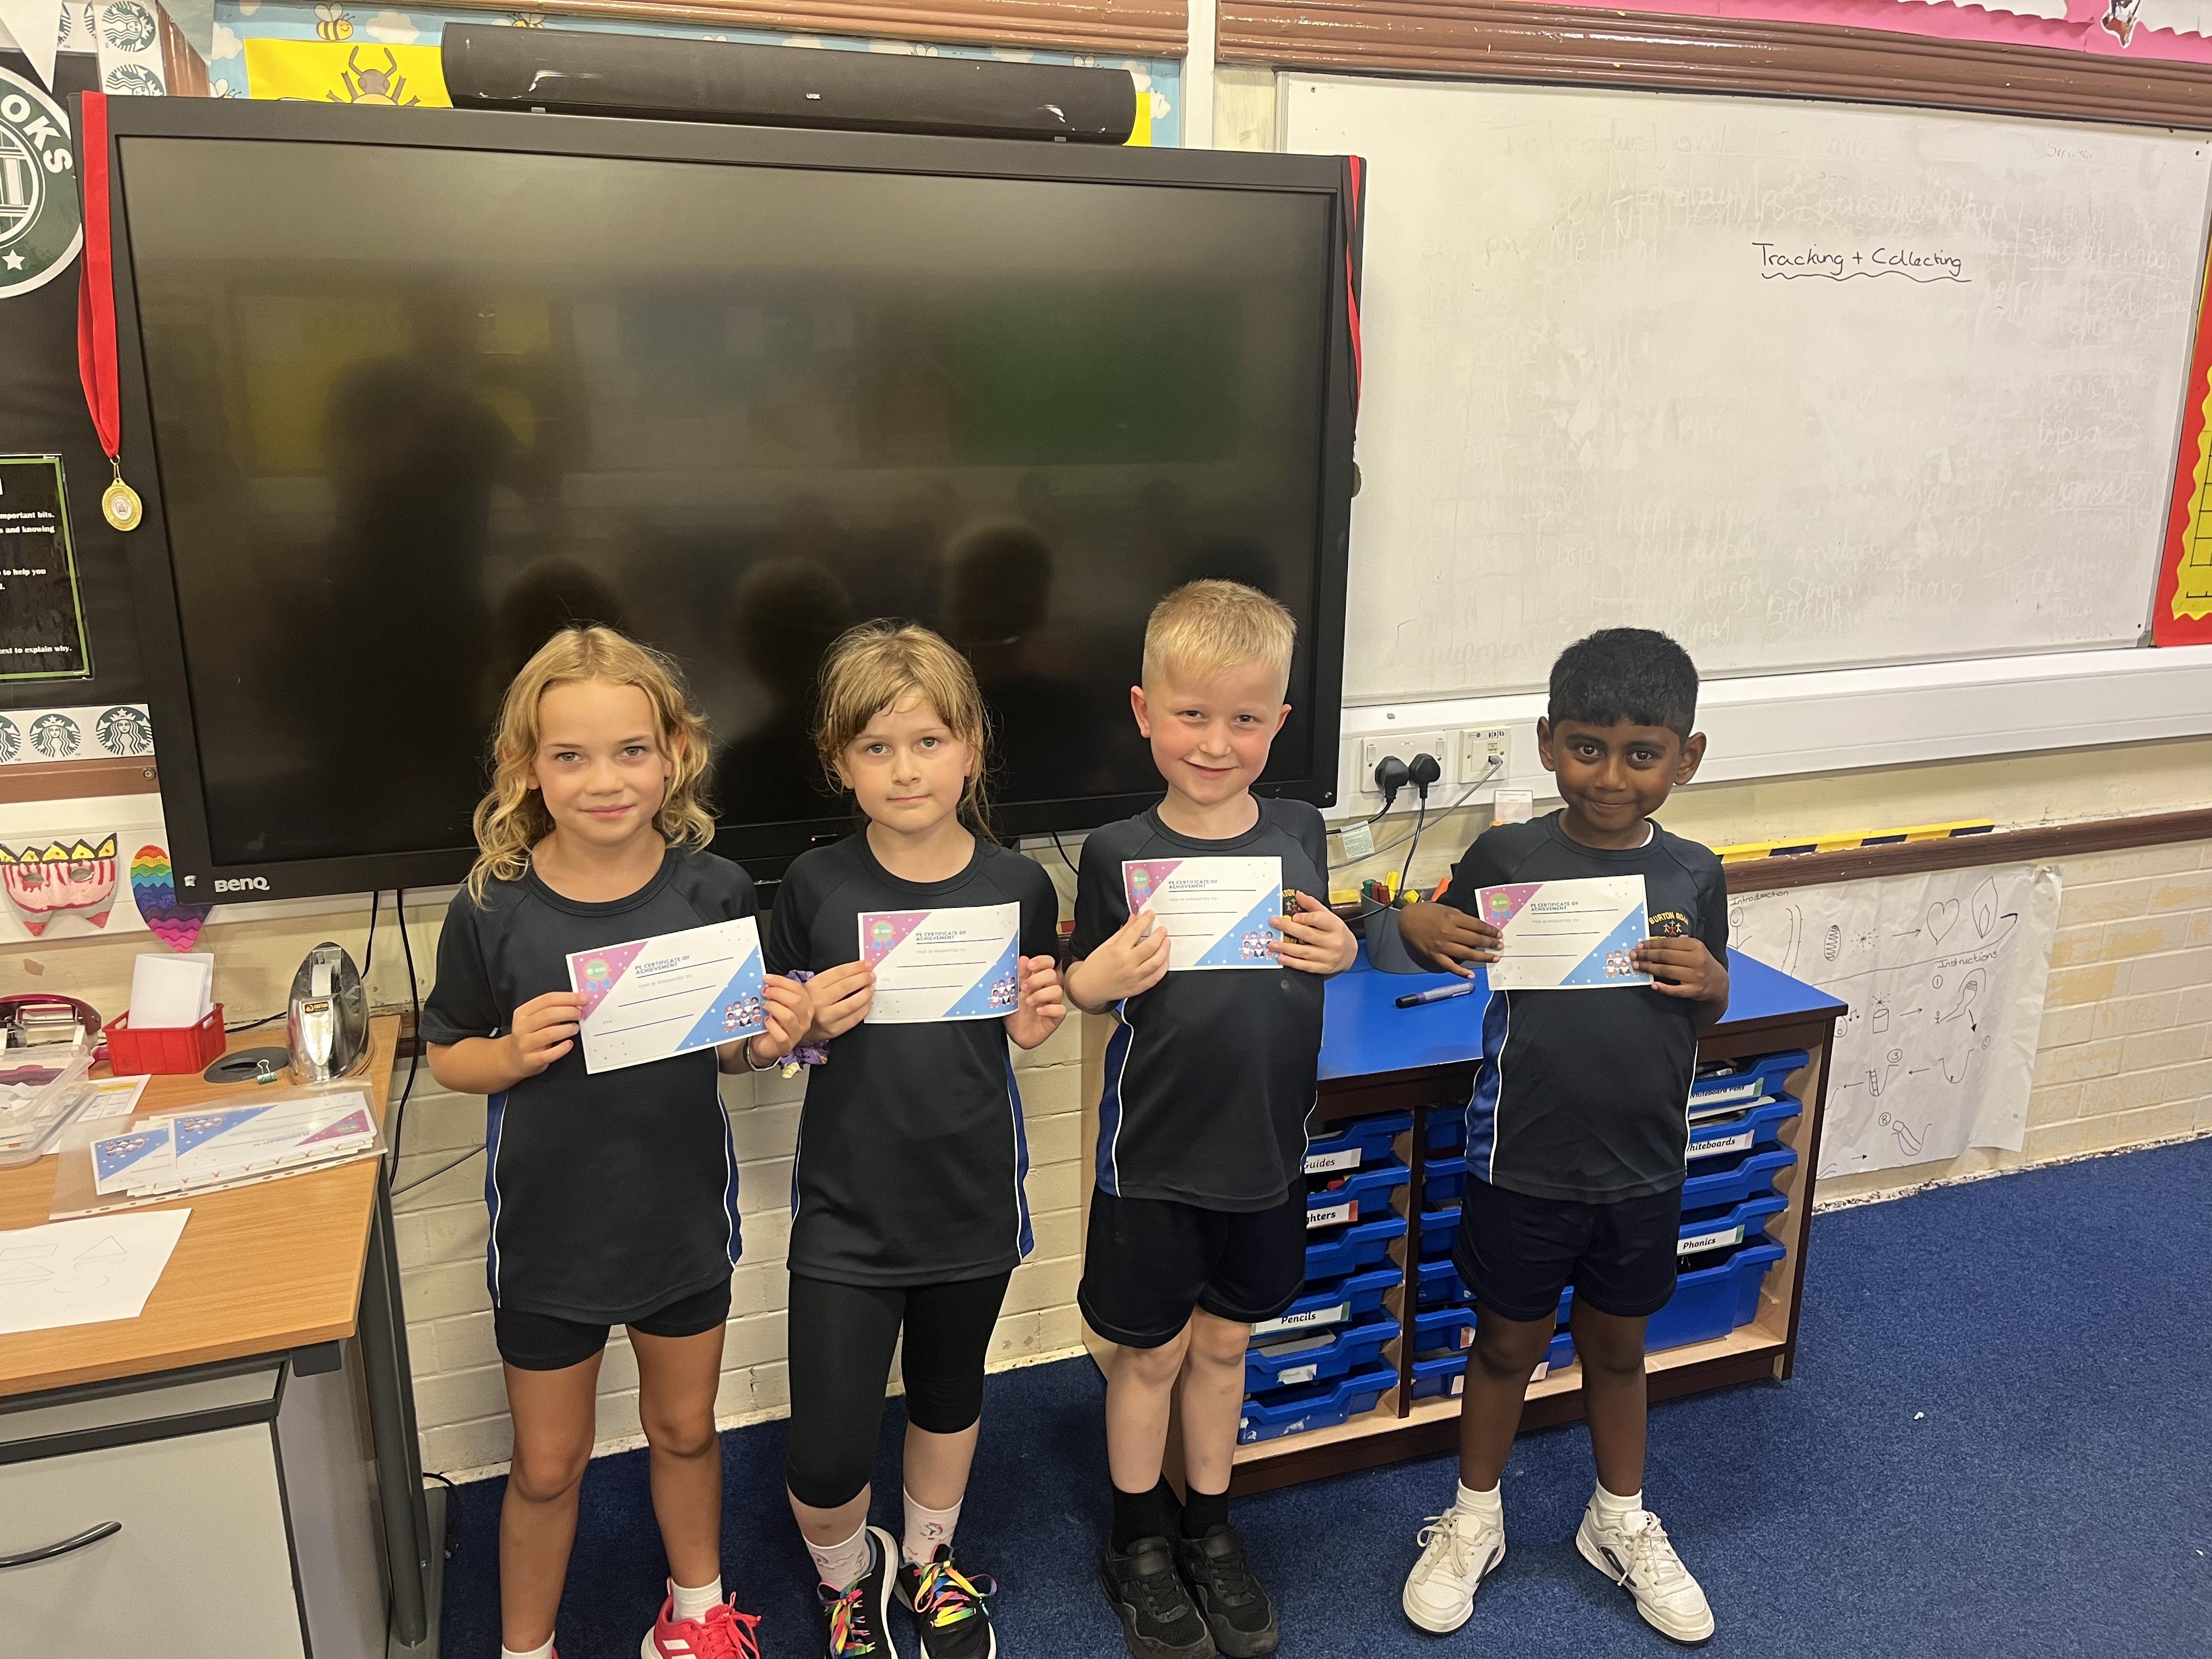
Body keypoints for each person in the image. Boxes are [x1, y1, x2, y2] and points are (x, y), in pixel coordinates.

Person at [421, 627, 811, 1659]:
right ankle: (526, 1646)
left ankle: (698, 1614)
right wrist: (509, 1054)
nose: (605, 780)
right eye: (571, 755)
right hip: (551, 1238)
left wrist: (766, 1041)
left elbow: (730, 1051)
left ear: (675, 754)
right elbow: (447, 1053)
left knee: (685, 1429)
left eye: (632, 750)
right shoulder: (494, 905)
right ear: (526, 768)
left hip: (680, 1219)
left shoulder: (714, 890)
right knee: (549, 1464)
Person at [1377, 627, 1730, 1646]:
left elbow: (1707, 1003)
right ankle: (1474, 1520)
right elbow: (1420, 942)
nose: (1610, 777)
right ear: (1547, 743)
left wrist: (1713, 982)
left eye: (1641, 754)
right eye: (1586, 748)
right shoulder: (1507, 856)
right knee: (1505, 1346)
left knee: (1620, 1350)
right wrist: (1414, 926)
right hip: (1520, 1160)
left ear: (1686, 758)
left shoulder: (1696, 873)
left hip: (1642, 1166)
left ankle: (1617, 1520)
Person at [1065, 580, 1359, 1659]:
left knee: (1227, 1343)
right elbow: (1085, 987)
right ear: (1145, 712)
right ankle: (1137, 1542)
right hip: (1153, 1161)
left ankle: (1209, 1527)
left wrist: (1346, 949)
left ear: (1280, 722)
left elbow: (1322, 950)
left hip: (1266, 1154)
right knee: (1148, 1356)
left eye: (1244, 719)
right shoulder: (1115, 851)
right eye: (1191, 715)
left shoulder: (1300, 831)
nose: (1216, 743)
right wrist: (1092, 978)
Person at [765, 621, 1067, 1659]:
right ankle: (847, 1578)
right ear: (840, 761)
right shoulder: (814, 887)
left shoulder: (1020, 885)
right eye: (878, 747)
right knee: (825, 1452)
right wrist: (802, 1026)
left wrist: (1031, 1026)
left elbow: (1015, 1025)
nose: (906, 770)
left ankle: (932, 1561)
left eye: (929, 742)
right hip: (847, 1210)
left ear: (971, 749)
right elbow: (768, 1045)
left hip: (970, 1197)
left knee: (949, 1397)